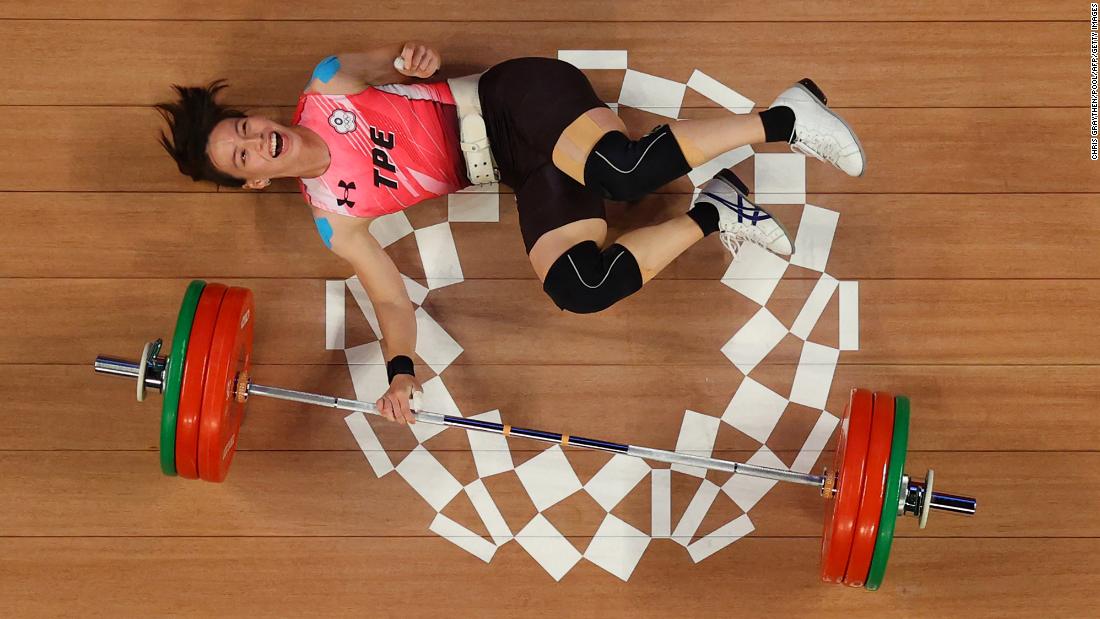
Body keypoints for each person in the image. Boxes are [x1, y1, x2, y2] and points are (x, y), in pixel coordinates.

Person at [155, 41, 865, 426]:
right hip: (521, 168)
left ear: (257, 116)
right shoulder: (334, 220)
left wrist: (415, 63)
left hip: (514, 98)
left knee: (620, 173)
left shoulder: (328, 85)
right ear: (250, 180)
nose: (257, 141)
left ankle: (786, 118)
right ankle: (718, 209)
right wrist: (401, 374)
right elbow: (394, 304)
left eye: (245, 127)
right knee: (579, 286)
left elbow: (394, 60)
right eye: (241, 155)